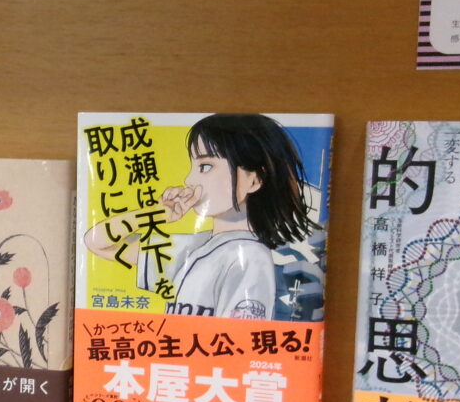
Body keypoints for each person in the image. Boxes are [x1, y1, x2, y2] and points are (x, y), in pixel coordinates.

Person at [85, 113, 314, 320]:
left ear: (254, 180)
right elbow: (96, 242)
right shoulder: (192, 246)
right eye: (193, 167)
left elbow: (236, 343)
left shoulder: (250, 257)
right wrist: (155, 214)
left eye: (205, 166)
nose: (189, 180)